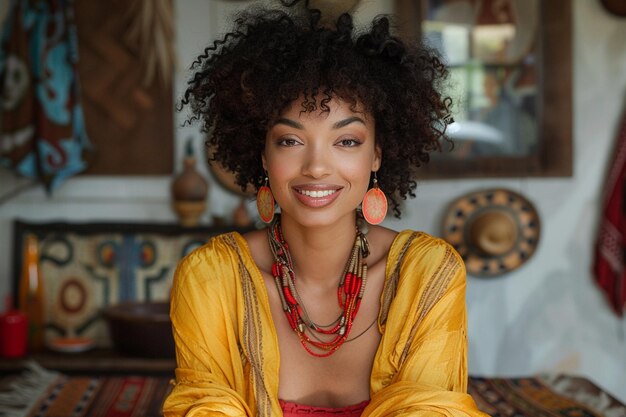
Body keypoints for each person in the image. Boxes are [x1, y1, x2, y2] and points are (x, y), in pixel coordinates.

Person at [163, 2, 489, 417]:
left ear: (376, 155)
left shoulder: (426, 274)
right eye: (290, 141)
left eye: (347, 141)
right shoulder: (212, 279)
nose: (316, 167)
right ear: (263, 156)